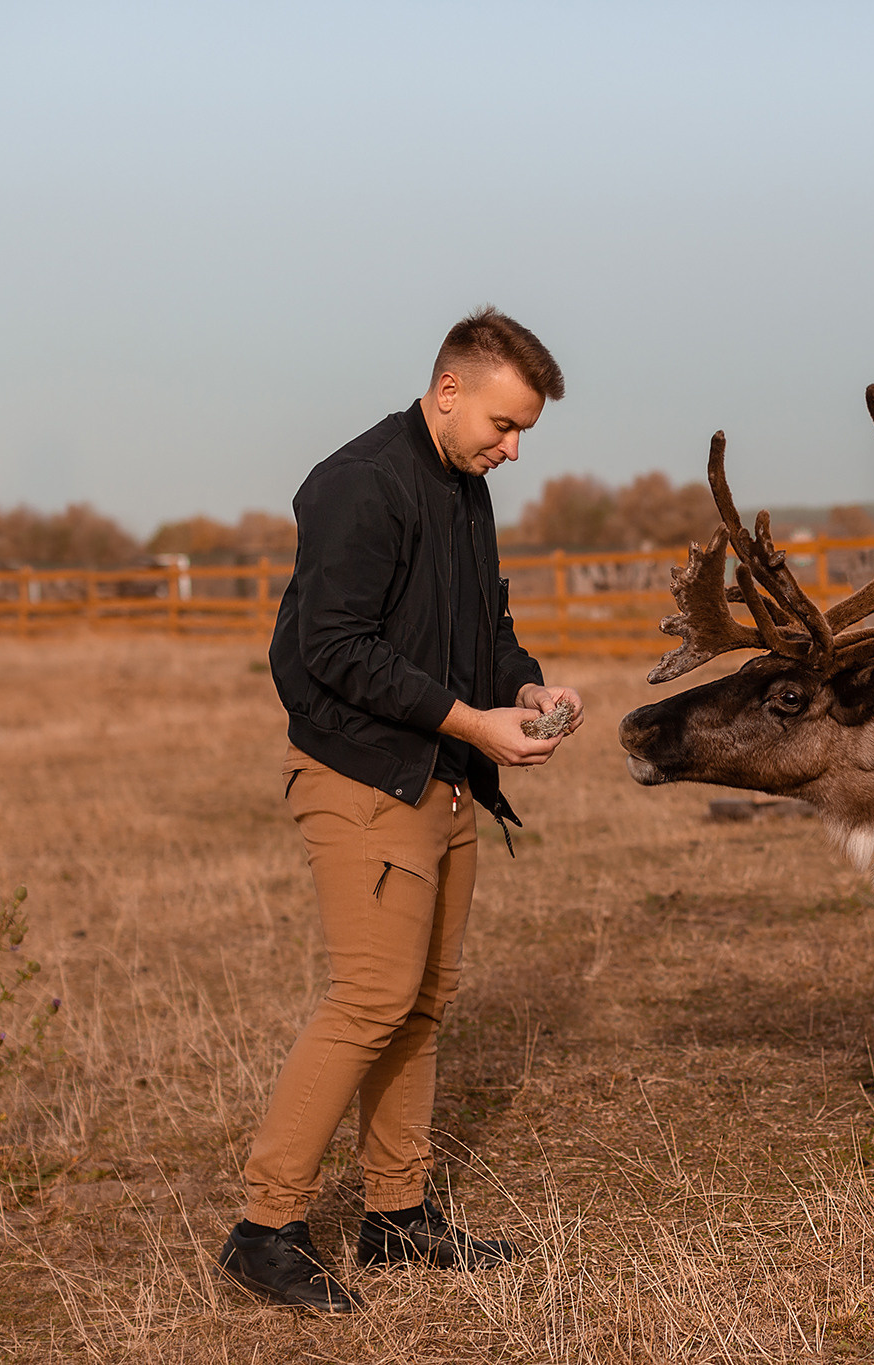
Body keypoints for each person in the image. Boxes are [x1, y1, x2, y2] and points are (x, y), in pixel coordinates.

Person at [217, 306, 583, 1311]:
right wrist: (471, 722)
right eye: (503, 426)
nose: (511, 451)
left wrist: (528, 692)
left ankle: (397, 1216)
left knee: (423, 1000)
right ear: (449, 387)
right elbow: (332, 648)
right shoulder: (360, 485)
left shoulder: (462, 486)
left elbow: (480, 630)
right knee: (371, 998)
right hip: (362, 777)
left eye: (524, 435)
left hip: (444, 773)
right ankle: (264, 1228)